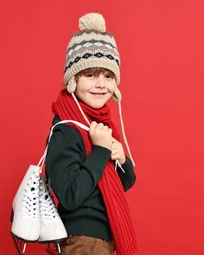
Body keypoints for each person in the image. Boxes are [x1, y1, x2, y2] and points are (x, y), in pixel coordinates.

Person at [45, 13, 137, 255]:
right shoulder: (66, 129)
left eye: (108, 76)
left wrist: (121, 159)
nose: (101, 84)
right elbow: (70, 196)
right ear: (73, 80)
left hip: (102, 238)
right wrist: (100, 151)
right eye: (90, 74)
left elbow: (125, 183)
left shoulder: (100, 125)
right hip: (82, 240)